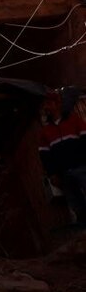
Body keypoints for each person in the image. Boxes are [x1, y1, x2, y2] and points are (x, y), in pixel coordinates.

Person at [38, 90, 86, 224]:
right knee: (75, 201)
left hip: (81, 166)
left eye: (48, 103)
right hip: (63, 173)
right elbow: (45, 155)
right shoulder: (45, 132)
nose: (46, 107)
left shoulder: (74, 120)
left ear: (57, 104)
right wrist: (52, 174)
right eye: (45, 105)